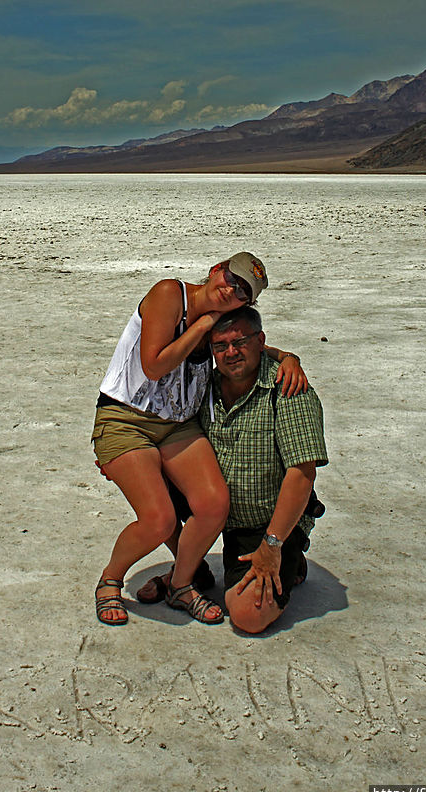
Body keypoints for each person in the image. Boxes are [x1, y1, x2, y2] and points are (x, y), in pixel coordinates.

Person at [92, 253, 306, 627]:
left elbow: (248, 345)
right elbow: (154, 365)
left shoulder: (220, 322)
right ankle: (110, 580)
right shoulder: (169, 295)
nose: (231, 290)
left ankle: (180, 585)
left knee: (213, 504)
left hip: (178, 424)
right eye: (230, 278)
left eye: (243, 292)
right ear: (216, 269)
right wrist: (201, 325)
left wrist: (288, 357)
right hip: (127, 420)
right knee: (158, 519)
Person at [136, 306, 328, 634]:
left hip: (264, 524)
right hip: (215, 509)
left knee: (247, 615)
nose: (231, 352)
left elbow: (302, 475)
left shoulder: (287, 388)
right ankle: (190, 567)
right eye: (220, 346)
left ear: (260, 341)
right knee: (141, 469)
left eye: (240, 342)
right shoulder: (204, 386)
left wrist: (272, 545)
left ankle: (289, 555)